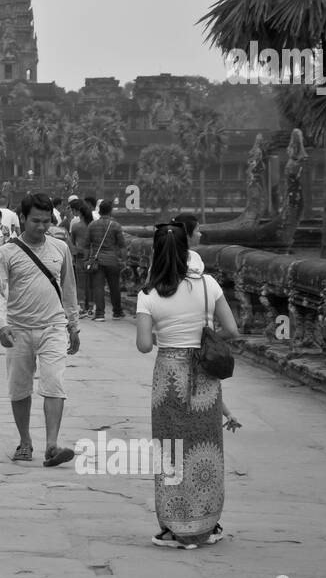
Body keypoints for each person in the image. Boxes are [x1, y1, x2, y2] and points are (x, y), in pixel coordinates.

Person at [135, 222, 240, 547]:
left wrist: (163, 332)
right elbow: (232, 329)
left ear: (155, 252)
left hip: (168, 377)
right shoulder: (209, 285)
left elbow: (143, 345)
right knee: (204, 448)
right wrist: (202, 336)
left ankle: (174, 526)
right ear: (187, 251)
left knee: (171, 451)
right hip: (204, 377)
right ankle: (208, 525)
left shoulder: (148, 294)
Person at [0, 193, 81, 466]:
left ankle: (52, 444)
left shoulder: (60, 248)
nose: (41, 227)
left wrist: (73, 325)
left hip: (53, 326)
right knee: (19, 388)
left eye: (46, 221)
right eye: (35, 221)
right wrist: (1, 324)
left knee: (54, 383)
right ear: (22, 218)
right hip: (18, 328)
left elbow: (69, 288)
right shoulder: (6, 252)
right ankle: (25, 440)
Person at [86, 200, 127, 320]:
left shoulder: (92, 225)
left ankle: (99, 314)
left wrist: (86, 260)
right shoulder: (116, 226)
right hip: (112, 260)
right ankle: (117, 312)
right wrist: (123, 261)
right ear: (110, 211)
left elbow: (86, 244)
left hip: (97, 260)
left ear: (99, 211)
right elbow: (122, 246)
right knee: (114, 286)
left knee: (98, 287)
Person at [69, 199, 93, 317]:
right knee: (92, 283)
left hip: (80, 257)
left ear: (80, 213)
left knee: (81, 283)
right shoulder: (93, 225)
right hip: (92, 257)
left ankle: (83, 307)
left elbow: (72, 242)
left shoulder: (76, 226)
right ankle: (92, 307)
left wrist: (73, 255)